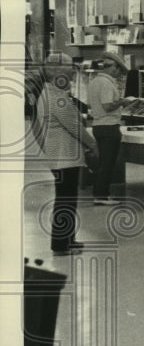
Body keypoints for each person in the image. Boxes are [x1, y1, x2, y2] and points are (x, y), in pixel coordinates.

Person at [35, 53, 99, 256]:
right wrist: (93, 144)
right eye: (70, 67)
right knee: (65, 200)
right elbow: (75, 127)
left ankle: (68, 239)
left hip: (60, 156)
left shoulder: (49, 94)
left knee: (68, 199)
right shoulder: (56, 98)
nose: (73, 71)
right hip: (64, 158)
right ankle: (61, 245)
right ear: (57, 72)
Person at [87, 51, 128, 205]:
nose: (119, 75)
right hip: (109, 126)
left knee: (103, 162)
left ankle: (101, 193)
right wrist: (122, 102)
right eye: (119, 71)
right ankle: (101, 195)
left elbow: (94, 105)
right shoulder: (106, 83)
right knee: (108, 163)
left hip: (98, 125)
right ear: (114, 68)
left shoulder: (94, 81)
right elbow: (108, 106)